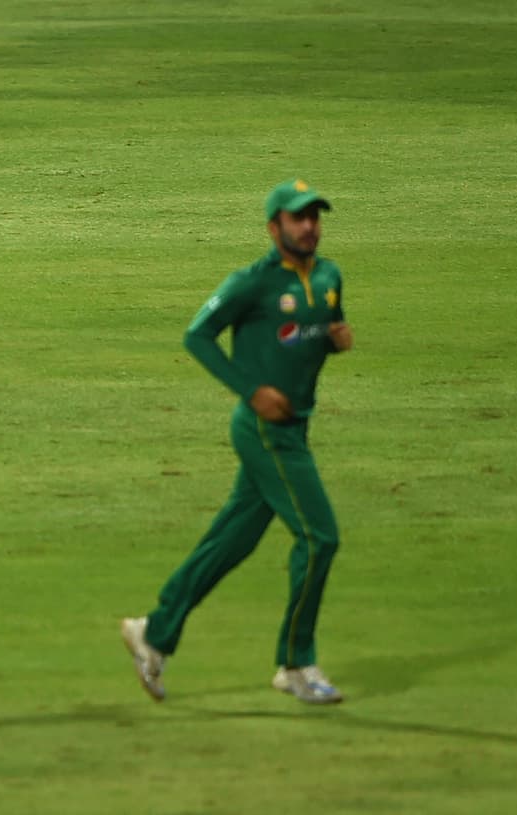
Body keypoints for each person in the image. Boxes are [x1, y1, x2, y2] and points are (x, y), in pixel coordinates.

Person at [121, 178, 354, 705]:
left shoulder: (332, 276)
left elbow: (319, 332)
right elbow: (197, 335)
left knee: (234, 540)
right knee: (320, 538)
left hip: (296, 426)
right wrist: (250, 392)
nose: (310, 225)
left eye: (315, 215)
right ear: (274, 228)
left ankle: (154, 633)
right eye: (299, 217)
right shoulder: (251, 284)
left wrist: (338, 342)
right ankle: (295, 664)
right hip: (266, 434)